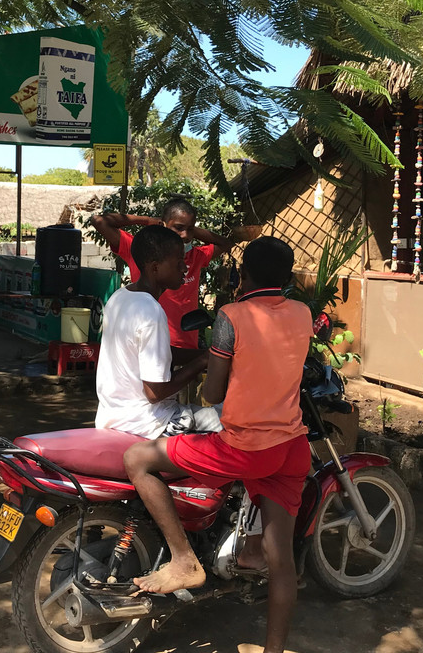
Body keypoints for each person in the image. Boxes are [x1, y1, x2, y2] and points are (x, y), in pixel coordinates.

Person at [123, 236, 312, 653]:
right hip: (291, 446)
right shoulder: (303, 313)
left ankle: (184, 559)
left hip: (244, 447)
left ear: (242, 276)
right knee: (281, 562)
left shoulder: (231, 316)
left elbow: (210, 394)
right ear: (287, 278)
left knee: (137, 458)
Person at [95, 225, 219, 439]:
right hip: (150, 423)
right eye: (178, 261)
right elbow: (155, 393)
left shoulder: (120, 297)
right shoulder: (151, 311)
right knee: (230, 422)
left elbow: (150, 352)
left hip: (113, 416)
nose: (185, 267)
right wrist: (202, 361)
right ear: (154, 268)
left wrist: (208, 354)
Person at [90, 198, 235, 364]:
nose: (185, 236)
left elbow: (225, 243)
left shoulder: (196, 256)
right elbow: (99, 221)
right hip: (149, 348)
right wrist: (149, 221)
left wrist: (191, 229)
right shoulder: (142, 250)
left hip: (186, 352)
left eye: (190, 230)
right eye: (178, 228)